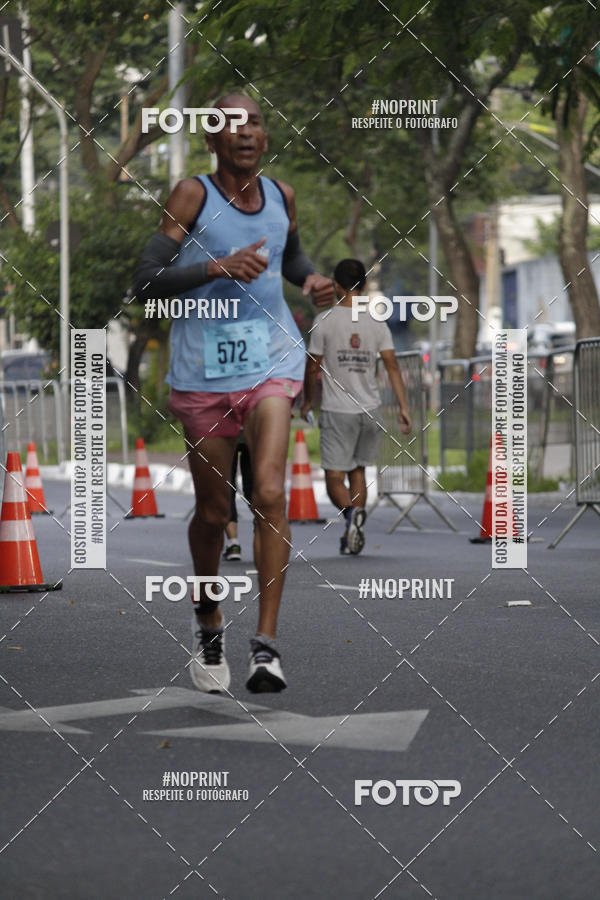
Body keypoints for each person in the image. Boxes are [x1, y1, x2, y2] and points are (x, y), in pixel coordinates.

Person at [134, 92, 334, 693]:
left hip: (271, 361)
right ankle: (208, 623)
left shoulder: (282, 196)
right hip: (202, 373)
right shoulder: (191, 194)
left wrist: (312, 279)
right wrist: (217, 268)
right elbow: (146, 283)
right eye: (230, 125)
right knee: (215, 512)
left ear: (266, 138)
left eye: (255, 123)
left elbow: (290, 257)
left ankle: (266, 648)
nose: (245, 133)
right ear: (212, 141)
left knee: (270, 492)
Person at [301, 259, 411, 555]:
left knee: (334, 478)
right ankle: (355, 530)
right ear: (363, 287)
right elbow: (393, 367)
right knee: (358, 471)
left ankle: (351, 515)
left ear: (336, 286)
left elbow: (313, 369)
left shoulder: (324, 321)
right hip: (370, 410)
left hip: (338, 411)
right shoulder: (377, 324)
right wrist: (403, 407)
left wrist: (307, 401)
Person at [223, 438, 252, 561]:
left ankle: (233, 543)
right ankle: (265, 538)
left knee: (226, 487)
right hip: (253, 427)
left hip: (225, 428)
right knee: (255, 488)